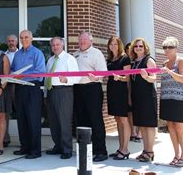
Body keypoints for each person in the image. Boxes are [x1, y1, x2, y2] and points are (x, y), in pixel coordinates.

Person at [73, 31, 108, 162]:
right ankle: (86, 150)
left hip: (92, 88)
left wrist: (97, 77)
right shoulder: (75, 54)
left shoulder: (96, 53)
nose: (82, 42)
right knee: (81, 120)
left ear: (90, 41)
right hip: (78, 89)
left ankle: (101, 151)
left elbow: (103, 72)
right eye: (80, 40)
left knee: (95, 120)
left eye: (85, 40)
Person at [11, 30, 46, 159]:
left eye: (26, 37)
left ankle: (35, 150)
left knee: (33, 120)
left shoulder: (37, 53)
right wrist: (12, 74)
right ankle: (24, 147)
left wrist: (24, 75)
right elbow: (13, 69)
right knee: (22, 119)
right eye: (22, 37)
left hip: (32, 89)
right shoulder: (18, 54)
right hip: (20, 89)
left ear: (31, 38)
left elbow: (40, 72)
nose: (24, 39)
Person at [44, 37, 80, 160]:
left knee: (64, 121)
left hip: (64, 91)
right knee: (53, 121)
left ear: (62, 45)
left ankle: (67, 149)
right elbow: (46, 78)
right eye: (53, 45)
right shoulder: (50, 60)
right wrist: (45, 93)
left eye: (57, 44)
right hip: (51, 92)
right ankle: (58, 146)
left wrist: (67, 79)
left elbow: (78, 77)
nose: (55, 47)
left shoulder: (69, 59)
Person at [159, 37, 183, 167]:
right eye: (165, 47)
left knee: (179, 127)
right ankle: (176, 155)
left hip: (180, 100)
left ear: (176, 48)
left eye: (170, 47)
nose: (167, 50)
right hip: (166, 99)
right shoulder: (164, 63)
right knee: (170, 127)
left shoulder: (181, 61)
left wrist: (170, 72)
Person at [128, 37, 157, 162]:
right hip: (137, 97)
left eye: (141, 46)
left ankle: (150, 151)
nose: (138, 48)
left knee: (149, 125)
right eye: (136, 46)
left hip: (147, 97)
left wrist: (146, 77)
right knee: (142, 125)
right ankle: (145, 150)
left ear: (145, 48)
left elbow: (154, 78)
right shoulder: (134, 62)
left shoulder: (148, 60)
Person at [105, 36, 131, 160]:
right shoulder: (110, 59)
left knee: (124, 120)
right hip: (112, 91)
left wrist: (119, 77)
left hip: (121, 92)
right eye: (111, 44)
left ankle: (125, 149)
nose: (113, 46)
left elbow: (128, 77)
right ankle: (120, 148)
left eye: (115, 44)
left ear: (119, 45)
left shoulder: (125, 58)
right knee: (118, 120)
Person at [3, 34, 18, 147]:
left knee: (21, 112)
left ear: (16, 42)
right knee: (5, 113)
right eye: (9, 41)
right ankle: (5, 138)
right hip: (7, 86)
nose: (11, 43)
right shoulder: (4, 55)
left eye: (13, 41)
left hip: (20, 86)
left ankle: (24, 139)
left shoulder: (21, 54)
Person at [125, 42, 142, 143]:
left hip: (140, 90)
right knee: (130, 112)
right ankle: (133, 132)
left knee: (139, 112)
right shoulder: (129, 63)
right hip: (130, 88)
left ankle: (139, 133)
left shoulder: (138, 62)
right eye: (127, 50)